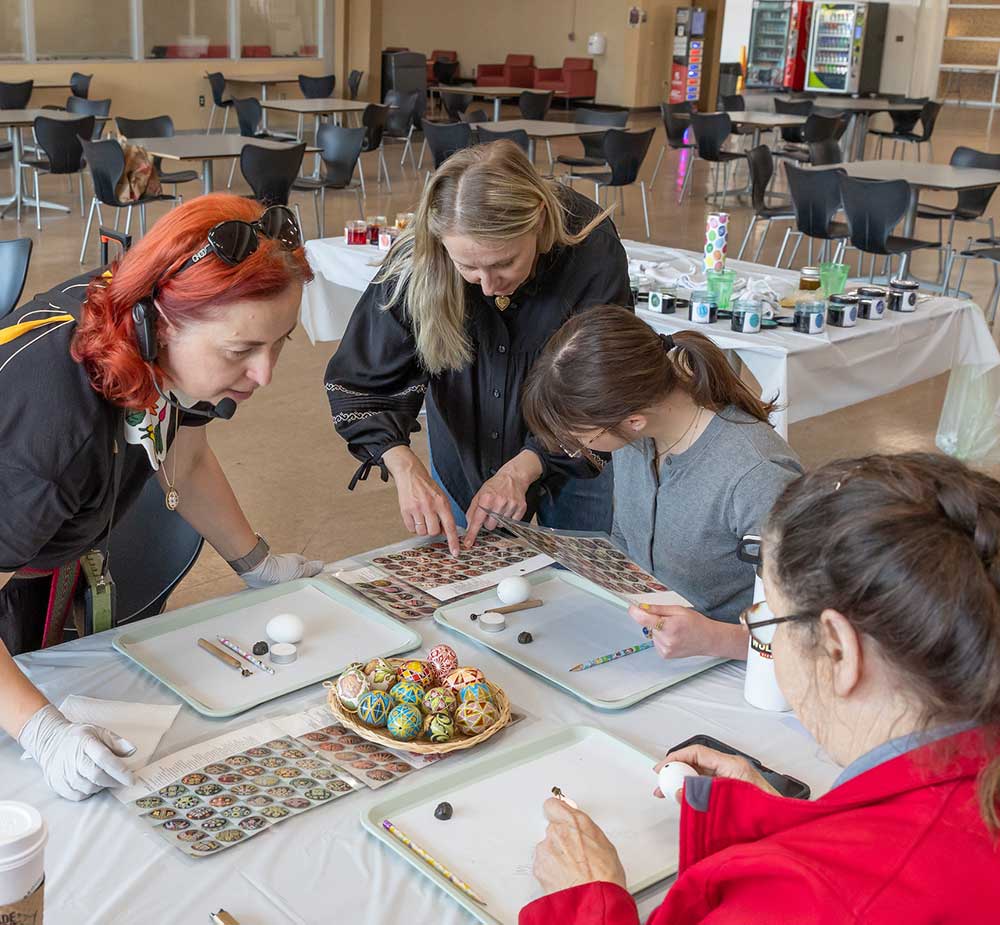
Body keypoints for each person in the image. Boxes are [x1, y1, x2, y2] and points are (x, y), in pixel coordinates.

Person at [523, 452, 1000, 923]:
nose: (760, 634)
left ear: (838, 649)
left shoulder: (828, 898)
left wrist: (588, 902)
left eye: (768, 618)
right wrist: (774, 821)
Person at [0, 194, 322, 801]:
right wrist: (41, 731)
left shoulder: (143, 323)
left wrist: (257, 564)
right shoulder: (52, 438)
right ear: (163, 325)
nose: (266, 374)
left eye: (280, 341)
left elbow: (184, 453)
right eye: (241, 351)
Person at [324, 140, 631, 556]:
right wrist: (404, 467)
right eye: (467, 267)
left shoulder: (590, 248)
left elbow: (604, 383)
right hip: (462, 445)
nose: (487, 285)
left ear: (538, 223)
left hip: (572, 445)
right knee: (465, 574)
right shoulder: (420, 258)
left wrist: (526, 466)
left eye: (504, 263)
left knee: (581, 575)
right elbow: (360, 383)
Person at [522, 306, 802, 660]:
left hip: (739, 671)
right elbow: (628, 541)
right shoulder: (636, 438)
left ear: (633, 420)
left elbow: (811, 628)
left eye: (579, 441)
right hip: (652, 649)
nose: (576, 450)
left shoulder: (756, 474)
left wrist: (716, 638)